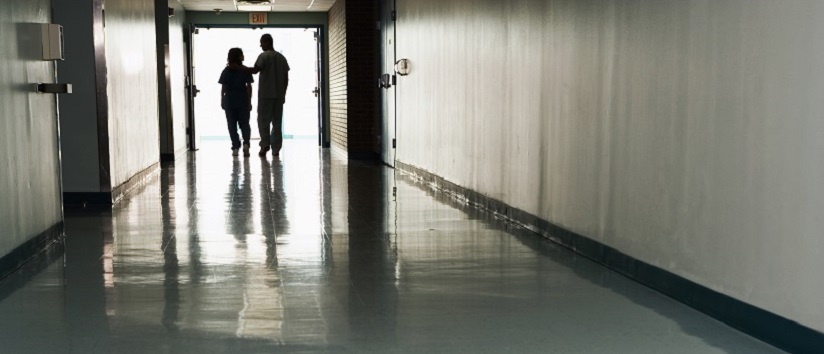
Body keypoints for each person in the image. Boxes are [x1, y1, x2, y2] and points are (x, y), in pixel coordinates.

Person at [237, 34, 290, 157]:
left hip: (266, 95)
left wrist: (239, 68)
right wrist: (283, 94)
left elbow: (255, 70)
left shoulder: (264, 56)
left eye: (262, 43)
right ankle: (276, 149)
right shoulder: (282, 58)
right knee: (277, 123)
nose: (260, 45)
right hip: (279, 96)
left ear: (267, 42)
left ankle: (265, 144)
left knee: (262, 121)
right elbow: (286, 79)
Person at [218, 47, 254, 157]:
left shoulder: (226, 71)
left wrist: (222, 100)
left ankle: (235, 146)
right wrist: (249, 101)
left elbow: (223, 87)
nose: (243, 56)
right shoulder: (245, 70)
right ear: (239, 57)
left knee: (231, 125)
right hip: (242, 99)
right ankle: (246, 144)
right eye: (242, 54)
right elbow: (249, 87)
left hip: (230, 100)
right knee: (245, 124)